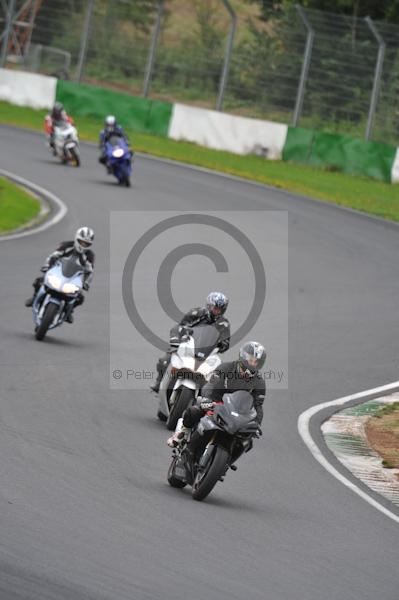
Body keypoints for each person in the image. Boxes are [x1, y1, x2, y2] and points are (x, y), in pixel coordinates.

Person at [167, 340, 266, 448]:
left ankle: (226, 461)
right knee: (194, 411)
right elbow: (210, 386)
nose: (252, 363)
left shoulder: (259, 382)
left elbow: (258, 405)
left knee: (247, 442)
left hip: (238, 413)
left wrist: (257, 424)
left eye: (256, 362)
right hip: (216, 403)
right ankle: (183, 432)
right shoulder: (225, 368)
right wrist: (207, 399)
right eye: (251, 359)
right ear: (243, 356)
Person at [150, 292, 230, 394]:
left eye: (219, 309)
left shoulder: (224, 324)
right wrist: (178, 339)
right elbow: (180, 326)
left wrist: (223, 344)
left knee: (217, 372)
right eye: (215, 308)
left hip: (207, 350)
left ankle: (205, 397)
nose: (216, 311)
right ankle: (159, 382)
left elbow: (226, 340)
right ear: (209, 306)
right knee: (165, 359)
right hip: (189, 343)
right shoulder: (196, 313)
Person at [24, 227, 95, 324]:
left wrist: (86, 283)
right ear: (76, 238)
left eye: (86, 244)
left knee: (80, 298)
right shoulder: (66, 245)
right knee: (39, 281)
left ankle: (69, 311)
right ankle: (34, 298)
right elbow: (53, 256)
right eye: (82, 242)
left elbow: (90, 271)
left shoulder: (90, 255)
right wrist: (46, 266)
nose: (83, 245)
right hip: (58, 272)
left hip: (73, 278)